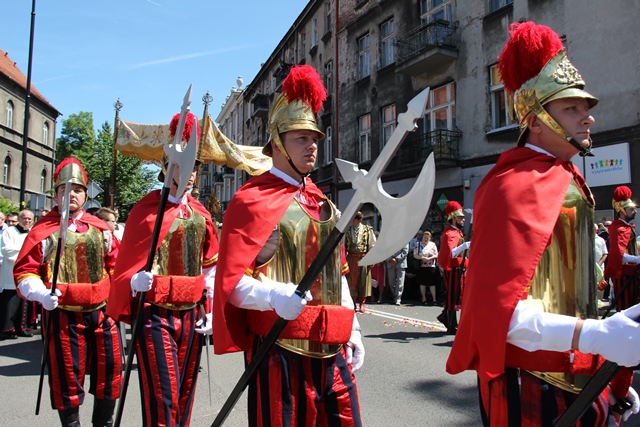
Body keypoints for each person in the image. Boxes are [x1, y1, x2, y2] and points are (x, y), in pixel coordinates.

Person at [446, 22, 640, 425]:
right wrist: (594, 336)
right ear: (535, 121)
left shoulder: (567, 178)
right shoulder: (510, 185)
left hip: (579, 374)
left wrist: (608, 375)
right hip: (531, 382)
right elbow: (497, 314)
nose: (588, 118)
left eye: (585, 108)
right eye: (572, 109)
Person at [213, 64, 364, 426]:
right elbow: (231, 284)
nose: (312, 146)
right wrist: (272, 296)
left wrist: (354, 329)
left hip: (332, 350)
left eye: (315, 139)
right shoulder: (251, 200)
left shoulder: (322, 202)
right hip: (278, 351)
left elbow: (337, 276)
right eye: (301, 138)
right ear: (277, 142)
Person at [107, 111, 219, 427]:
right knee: (162, 396)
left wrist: (210, 310)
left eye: (194, 166)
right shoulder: (146, 211)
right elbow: (126, 265)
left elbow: (210, 267)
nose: (190, 173)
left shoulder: (201, 213)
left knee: (185, 394)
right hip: (155, 313)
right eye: (182, 165)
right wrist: (134, 281)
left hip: (193, 314)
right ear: (167, 167)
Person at [13, 158, 121, 427]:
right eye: (65, 189)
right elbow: (26, 271)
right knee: (67, 376)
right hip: (63, 314)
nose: (71, 194)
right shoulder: (43, 230)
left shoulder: (101, 228)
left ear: (85, 195)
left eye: (77, 190)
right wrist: (40, 293)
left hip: (102, 312)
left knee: (109, 372)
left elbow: (116, 266)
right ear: (56, 194)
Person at [0, 209, 34, 339]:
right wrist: (25, 253)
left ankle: (22, 327)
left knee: (24, 301)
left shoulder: (32, 232)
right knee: (11, 302)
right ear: (19, 219)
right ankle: (7, 329)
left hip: (27, 271)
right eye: (24, 218)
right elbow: (6, 250)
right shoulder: (9, 231)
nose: (27, 221)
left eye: (29, 219)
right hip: (12, 271)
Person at [604, 186, 639, 311]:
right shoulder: (619, 228)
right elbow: (619, 255)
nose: (635, 212)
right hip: (624, 274)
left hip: (632, 272)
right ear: (622, 210)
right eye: (631, 209)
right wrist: (638, 259)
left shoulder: (624, 227)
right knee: (627, 307)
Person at [437, 201, 469, 334]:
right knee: (452, 296)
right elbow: (450, 253)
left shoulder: (457, 232)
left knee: (458, 295)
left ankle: (446, 316)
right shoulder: (450, 233)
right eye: (461, 218)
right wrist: (464, 246)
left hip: (460, 267)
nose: (463, 220)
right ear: (454, 218)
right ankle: (450, 323)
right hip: (453, 269)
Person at [345, 211, 376, 313]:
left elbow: (372, 245)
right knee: (352, 281)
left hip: (363, 258)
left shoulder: (367, 230)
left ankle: (362, 303)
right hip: (351, 258)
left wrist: (372, 259)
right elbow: (343, 246)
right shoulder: (348, 230)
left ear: (359, 220)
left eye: (353, 219)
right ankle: (353, 302)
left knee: (364, 281)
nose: (351, 221)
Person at [414, 230, 438, 305]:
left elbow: (436, 254)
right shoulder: (418, 244)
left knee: (432, 283)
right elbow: (415, 255)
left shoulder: (433, 245)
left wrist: (429, 258)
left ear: (430, 238)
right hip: (422, 266)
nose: (426, 239)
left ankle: (434, 299)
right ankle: (424, 298)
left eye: (427, 237)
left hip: (431, 265)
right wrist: (422, 258)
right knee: (423, 283)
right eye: (425, 237)